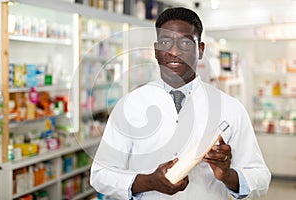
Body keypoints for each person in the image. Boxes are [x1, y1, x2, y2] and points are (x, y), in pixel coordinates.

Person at [90, 7, 271, 200]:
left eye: (185, 42)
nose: (174, 51)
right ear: (156, 50)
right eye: (166, 42)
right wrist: (148, 181)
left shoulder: (231, 108)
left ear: (200, 50)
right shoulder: (130, 105)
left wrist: (227, 175)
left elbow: (260, 178)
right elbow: (101, 175)